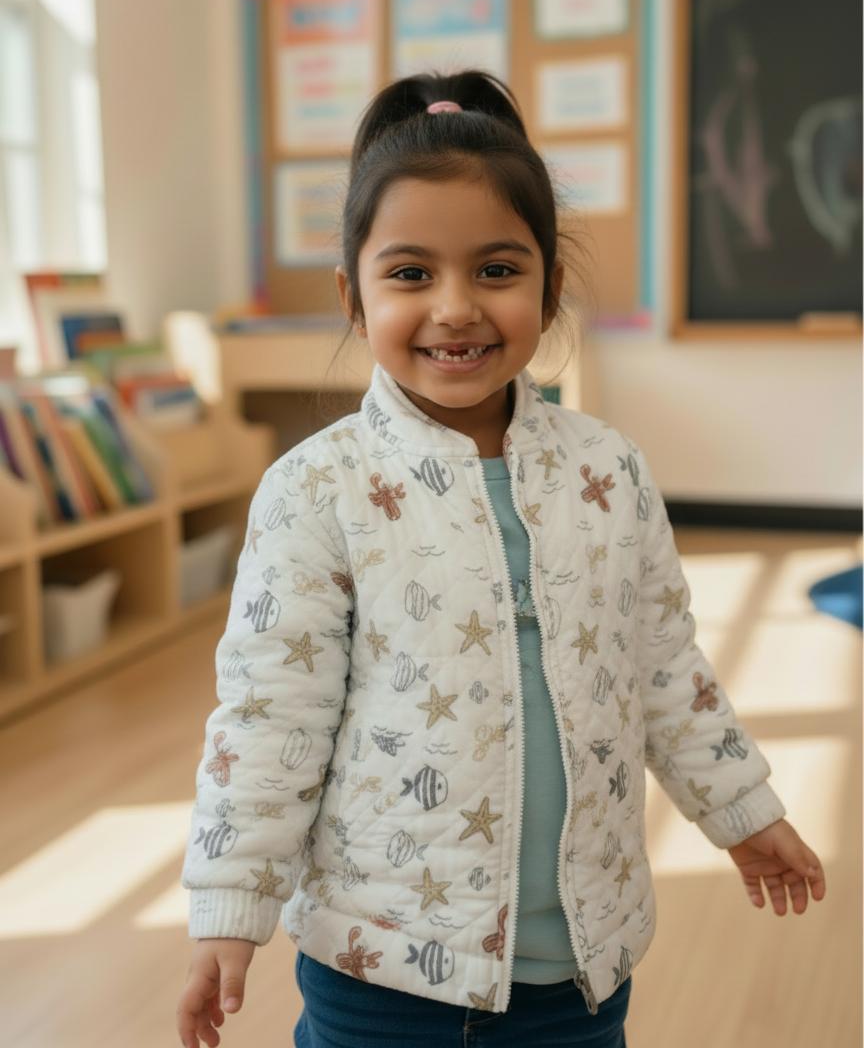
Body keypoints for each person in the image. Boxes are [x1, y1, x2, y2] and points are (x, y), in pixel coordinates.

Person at [176, 71, 826, 1048]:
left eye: (495, 269)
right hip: (381, 974)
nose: (454, 307)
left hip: (580, 975)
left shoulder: (608, 470)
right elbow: (270, 714)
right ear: (353, 298)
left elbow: (665, 667)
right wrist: (230, 901)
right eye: (409, 273)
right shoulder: (317, 490)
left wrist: (742, 806)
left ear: (549, 284)